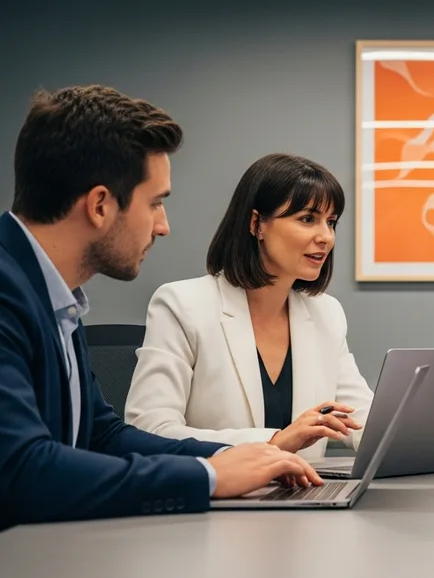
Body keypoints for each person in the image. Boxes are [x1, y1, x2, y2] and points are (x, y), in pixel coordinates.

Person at [0, 85, 322, 530]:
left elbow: (102, 435)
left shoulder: (52, 297)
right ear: (99, 205)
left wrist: (233, 457)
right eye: (155, 203)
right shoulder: (7, 293)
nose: (163, 226)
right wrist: (208, 477)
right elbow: (21, 471)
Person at [125, 153, 434, 462]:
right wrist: (274, 442)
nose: (326, 236)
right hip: (217, 509)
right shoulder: (182, 305)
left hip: (308, 510)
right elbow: (149, 431)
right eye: (308, 219)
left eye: (332, 222)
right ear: (256, 224)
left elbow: (367, 426)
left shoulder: (325, 314)